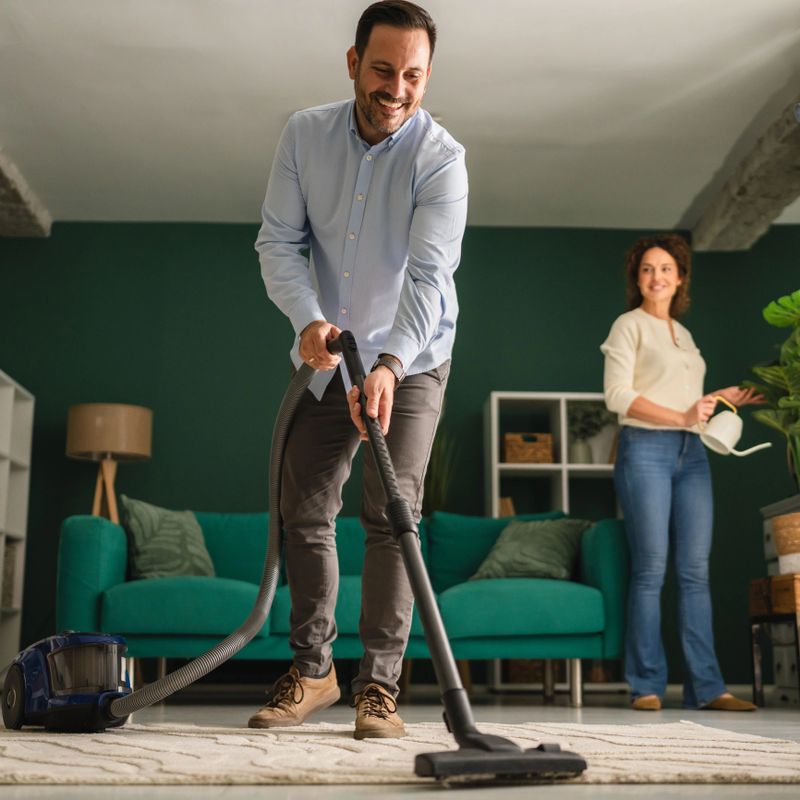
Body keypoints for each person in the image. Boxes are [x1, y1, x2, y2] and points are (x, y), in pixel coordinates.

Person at [250, 1, 467, 739]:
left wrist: (390, 363)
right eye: (382, 69)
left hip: (411, 359)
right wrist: (308, 319)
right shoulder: (305, 135)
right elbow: (277, 242)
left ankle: (378, 689)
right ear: (352, 62)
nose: (396, 88)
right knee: (303, 508)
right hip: (325, 353)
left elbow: (429, 278)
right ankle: (313, 673)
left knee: (389, 513)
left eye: (413, 74)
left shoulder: (441, 160)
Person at [601, 233, 761, 712]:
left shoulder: (684, 336)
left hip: (692, 454)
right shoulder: (628, 326)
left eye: (666, 268)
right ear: (638, 278)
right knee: (651, 569)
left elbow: (688, 402)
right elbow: (617, 396)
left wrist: (719, 399)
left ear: (680, 279)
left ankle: (708, 689)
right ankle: (645, 685)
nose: (657, 277)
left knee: (695, 572)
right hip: (645, 448)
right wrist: (681, 416)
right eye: (648, 268)